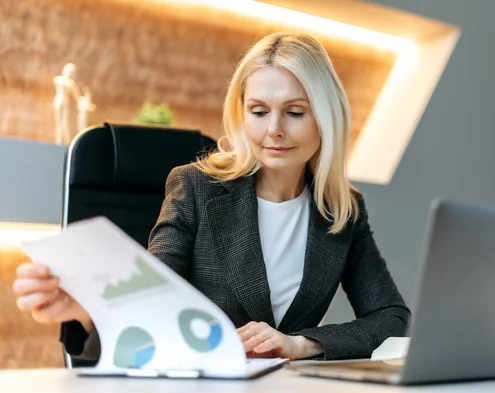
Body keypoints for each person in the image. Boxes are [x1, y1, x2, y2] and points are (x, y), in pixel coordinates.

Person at [13, 32, 411, 362]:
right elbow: (150, 299)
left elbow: (392, 319)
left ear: (325, 118)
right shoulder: (196, 188)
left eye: (294, 112)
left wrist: (300, 344)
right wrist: (86, 311)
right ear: (242, 114)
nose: (273, 129)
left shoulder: (341, 209)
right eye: (258, 111)